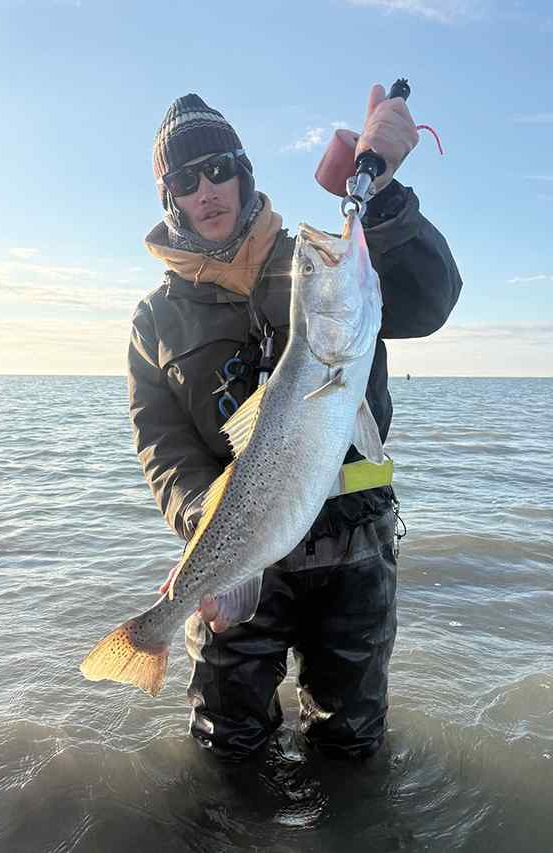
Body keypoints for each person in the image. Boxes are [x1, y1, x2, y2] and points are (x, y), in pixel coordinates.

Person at [127, 90, 462, 763]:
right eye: (185, 180)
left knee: (351, 748)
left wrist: (388, 198)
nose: (207, 189)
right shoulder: (154, 320)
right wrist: (202, 525)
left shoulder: (320, 264)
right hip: (240, 555)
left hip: (353, 546)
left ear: (244, 172)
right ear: (171, 198)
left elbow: (429, 301)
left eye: (219, 167)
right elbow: (162, 445)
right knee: (230, 752)